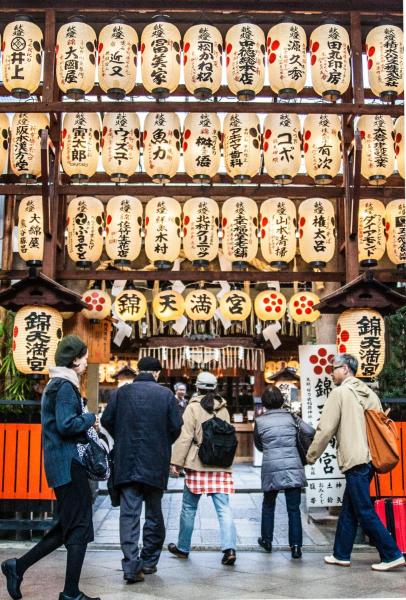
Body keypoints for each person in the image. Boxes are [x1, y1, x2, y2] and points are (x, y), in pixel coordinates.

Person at [1, 335, 100, 600]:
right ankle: (70, 594)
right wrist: (91, 418)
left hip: (61, 464)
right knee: (79, 526)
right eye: (84, 355)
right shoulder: (65, 386)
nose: (87, 360)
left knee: (65, 528)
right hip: (69, 465)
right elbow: (67, 425)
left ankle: (16, 566)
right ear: (75, 358)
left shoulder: (56, 385)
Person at [306, 353, 406, 572]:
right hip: (371, 458)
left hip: (354, 458)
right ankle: (341, 554)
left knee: (363, 509)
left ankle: (392, 553)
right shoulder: (369, 393)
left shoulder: (340, 393)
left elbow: (325, 429)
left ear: (346, 370)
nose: (331, 372)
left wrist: (311, 455)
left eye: (334, 368)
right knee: (350, 507)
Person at [101, 356, 182, 583]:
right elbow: (176, 427)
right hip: (155, 461)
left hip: (126, 460)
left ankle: (130, 565)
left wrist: (123, 436)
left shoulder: (120, 394)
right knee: (154, 513)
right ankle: (148, 561)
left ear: (139, 371)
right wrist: (163, 442)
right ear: (157, 373)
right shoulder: (166, 395)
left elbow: (107, 420)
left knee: (129, 514)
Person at [168, 371, 237, 566]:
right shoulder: (223, 407)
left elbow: (185, 437)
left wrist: (176, 463)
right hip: (221, 464)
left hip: (198, 463)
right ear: (215, 388)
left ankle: (183, 547)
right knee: (223, 508)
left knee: (189, 508)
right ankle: (229, 548)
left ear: (196, 387)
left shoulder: (193, 408)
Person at [254, 385, 314, 559]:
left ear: (264, 403)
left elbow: (259, 445)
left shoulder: (260, 421)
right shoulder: (292, 418)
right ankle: (296, 546)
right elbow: (310, 431)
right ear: (282, 400)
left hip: (271, 467)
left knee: (268, 505)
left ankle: (266, 540)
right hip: (293, 466)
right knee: (293, 508)